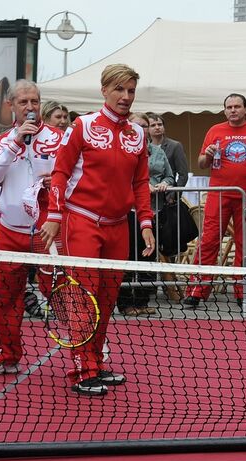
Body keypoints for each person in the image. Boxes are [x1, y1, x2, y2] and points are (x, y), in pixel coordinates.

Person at [40, 64, 156, 396]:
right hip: (82, 222)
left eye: (131, 90)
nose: (126, 96)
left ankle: (96, 362)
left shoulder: (138, 134)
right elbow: (60, 173)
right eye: (119, 89)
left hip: (119, 227)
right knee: (83, 297)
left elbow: (141, 182)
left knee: (106, 298)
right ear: (104, 90)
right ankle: (83, 368)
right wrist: (54, 214)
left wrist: (145, 223)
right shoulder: (82, 126)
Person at [0, 80, 63, 377]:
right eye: (23, 102)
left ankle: (86, 350)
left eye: (34, 101)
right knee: (6, 296)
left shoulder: (59, 137)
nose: (30, 107)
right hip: (10, 229)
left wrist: (58, 182)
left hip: (46, 229)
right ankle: (6, 354)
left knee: (60, 290)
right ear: (11, 105)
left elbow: (77, 177)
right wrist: (15, 141)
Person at [183, 93, 246, 307]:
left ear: (245, 109)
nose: (233, 110)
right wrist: (209, 155)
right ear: (224, 111)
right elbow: (202, 162)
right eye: (229, 107)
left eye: (237, 106)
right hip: (219, 194)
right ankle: (196, 290)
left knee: (244, 245)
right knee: (209, 240)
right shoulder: (215, 130)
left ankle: (242, 292)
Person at [116, 112, 173, 317]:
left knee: (148, 256)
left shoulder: (158, 151)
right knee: (128, 257)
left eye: (145, 125)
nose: (142, 129)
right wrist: (141, 186)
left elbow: (169, 174)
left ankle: (142, 300)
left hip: (153, 211)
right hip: (128, 212)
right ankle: (125, 303)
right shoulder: (120, 149)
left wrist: (167, 182)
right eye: (137, 125)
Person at [147, 113, 189, 187]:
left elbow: (183, 174)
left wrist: (175, 194)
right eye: (153, 125)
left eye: (160, 124)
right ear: (147, 129)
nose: (157, 127)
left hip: (168, 193)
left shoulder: (175, 146)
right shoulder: (145, 147)